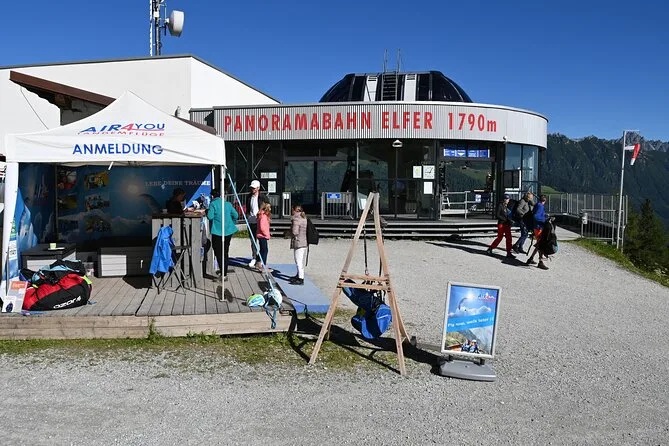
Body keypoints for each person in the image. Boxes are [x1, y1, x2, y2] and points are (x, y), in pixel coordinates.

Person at [207, 188, 238, 281]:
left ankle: (223, 273)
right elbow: (236, 215)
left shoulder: (213, 204)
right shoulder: (227, 204)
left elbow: (210, 217)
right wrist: (231, 222)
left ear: (212, 196)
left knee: (218, 253)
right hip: (228, 231)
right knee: (225, 252)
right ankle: (224, 273)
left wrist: (207, 211)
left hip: (217, 232)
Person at [486, 194, 515, 259]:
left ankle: (509, 252)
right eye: (507, 199)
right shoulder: (500, 205)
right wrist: (506, 219)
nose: (508, 200)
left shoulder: (506, 206)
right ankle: (490, 248)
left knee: (509, 238)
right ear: (505, 199)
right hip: (501, 224)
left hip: (507, 224)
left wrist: (510, 220)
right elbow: (497, 215)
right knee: (500, 237)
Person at [246, 180, 266, 267]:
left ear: (258, 188)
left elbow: (268, 207)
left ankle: (259, 258)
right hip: (251, 220)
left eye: (254, 188)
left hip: (260, 221)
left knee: (261, 241)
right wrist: (248, 216)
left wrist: (262, 213)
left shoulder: (263, 197)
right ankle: (254, 257)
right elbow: (248, 208)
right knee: (253, 240)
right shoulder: (249, 197)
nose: (252, 189)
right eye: (251, 188)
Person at [289, 204, 308, 285]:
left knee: (298, 260)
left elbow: (295, 232)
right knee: (300, 260)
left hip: (298, 242)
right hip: (304, 241)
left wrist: (290, 232)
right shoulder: (304, 217)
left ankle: (300, 278)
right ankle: (298, 275)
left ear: (294, 210)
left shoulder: (296, 219)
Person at [256, 202, 272, 272]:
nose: (270, 209)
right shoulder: (263, 216)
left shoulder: (262, 215)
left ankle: (258, 261)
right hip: (262, 235)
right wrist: (266, 234)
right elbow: (262, 227)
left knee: (262, 250)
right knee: (265, 250)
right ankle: (263, 266)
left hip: (261, 235)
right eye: (269, 208)